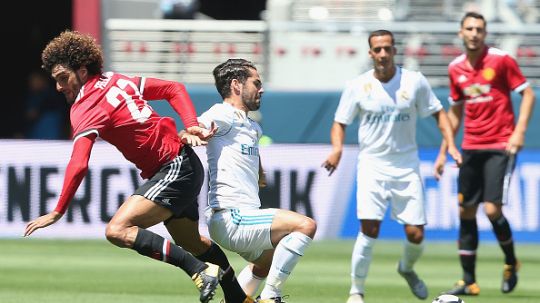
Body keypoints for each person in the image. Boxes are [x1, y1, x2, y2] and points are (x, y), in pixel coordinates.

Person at [22, 30, 253, 303]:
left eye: (63, 79)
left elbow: (78, 163)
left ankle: (200, 270)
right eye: (56, 81)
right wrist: (190, 122)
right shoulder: (117, 80)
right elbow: (173, 88)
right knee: (192, 243)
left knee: (117, 230)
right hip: (185, 164)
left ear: (82, 71)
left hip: (174, 167)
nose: (59, 87)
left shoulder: (84, 105)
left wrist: (58, 211)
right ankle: (240, 299)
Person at [322, 30, 462, 303]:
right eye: (378, 49)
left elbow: (439, 114)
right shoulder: (357, 86)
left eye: (388, 48)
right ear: (371, 53)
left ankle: (406, 268)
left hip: (406, 166)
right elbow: (340, 122)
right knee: (369, 228)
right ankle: (356, 291)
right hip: (372, 165)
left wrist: (451, 145)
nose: (383, 54)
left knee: (416, 233)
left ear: (395, 50)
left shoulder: (414, 81)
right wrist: (337, 149)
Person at [199, 58, 317, 303]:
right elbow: (197, 126)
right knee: (305, 226)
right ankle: (271, 297)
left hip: (239, 217)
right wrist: (191, 133)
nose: (261, 89)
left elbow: (246, 146)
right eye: (256, 83)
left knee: (265, 263)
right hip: (231, 216)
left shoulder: (251, 126)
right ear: (236, 85)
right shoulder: (223, 114)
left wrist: (259, 171)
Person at [434, 12, 535, 296]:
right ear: (460, 32)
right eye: (469, 28)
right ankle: (469, 280)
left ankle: (511, 262)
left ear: (485, 32)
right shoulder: (455, 68)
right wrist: (445, 151)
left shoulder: (501, 60)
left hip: (500, 145)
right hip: (470, 147)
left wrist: (519, 132)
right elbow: (454, 114)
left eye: (479, 28)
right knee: (465, 210)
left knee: (492, 210)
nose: (474, 33)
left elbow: (528, 94)